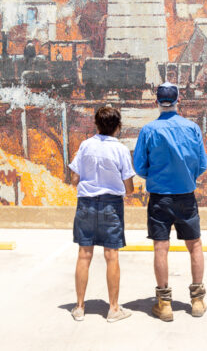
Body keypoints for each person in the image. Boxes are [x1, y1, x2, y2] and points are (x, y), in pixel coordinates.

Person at [133, 82, 207, 322]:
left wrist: (157, 176)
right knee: (194, 246)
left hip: (159, 198)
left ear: (156, 102)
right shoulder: (192, 128)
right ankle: (197, 300)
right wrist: (187, 176)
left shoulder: (148, 130)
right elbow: (202, 164)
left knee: (160, 248)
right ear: (179, 101)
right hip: (186, 196)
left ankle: (164, 304)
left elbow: (139, 167)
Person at [69, 105, 135, 323]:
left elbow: (74, 179)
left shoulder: (85, 146)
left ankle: (79, 307)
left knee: (84, 255)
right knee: (111, 256)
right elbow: (129, 187)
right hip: (111, 205)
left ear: (96, 124)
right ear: (118, 127)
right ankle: (113, 309)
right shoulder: (121, 150)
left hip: (86, 203)